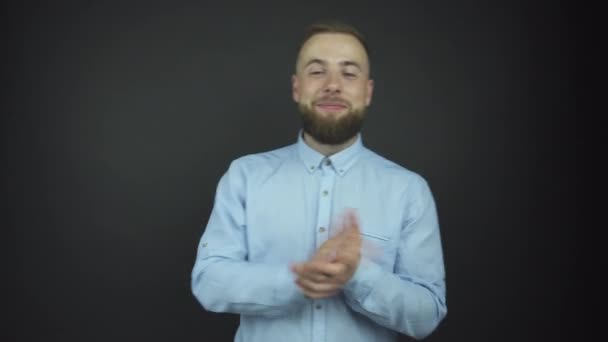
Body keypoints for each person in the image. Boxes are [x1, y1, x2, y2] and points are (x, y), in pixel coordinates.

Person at [191, 20, 447, 342]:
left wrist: (358, 275)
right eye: (317, 71)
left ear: (367, 92)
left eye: (349, 73)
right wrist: (296, 280)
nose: (333, 85)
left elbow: (426, 315)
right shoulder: (245, 176)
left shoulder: (409, 191)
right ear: (297, 88)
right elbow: (209, 282)